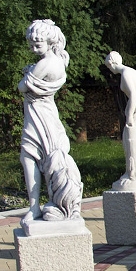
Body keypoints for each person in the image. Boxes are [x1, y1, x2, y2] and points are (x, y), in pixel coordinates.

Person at [19, 19, 83, 224]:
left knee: (31, 156)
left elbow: (22, 87)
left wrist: (27, 74)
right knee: (36, 157)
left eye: (37, 45)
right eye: (31, 45)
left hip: (40, 116)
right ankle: (45, 204)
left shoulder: (46, 63)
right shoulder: (56, 61)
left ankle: (37, 206)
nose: (33, 49)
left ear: (50, 42)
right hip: (42, 113)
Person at [104, 51, 136, 191]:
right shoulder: (130, 71)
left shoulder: (126, 73)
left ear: (112, 63)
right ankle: (135, 173)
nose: (109, 69)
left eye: (108, 66)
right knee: (135, 142)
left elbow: (133, 95)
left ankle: (135, 175)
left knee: (134, 142)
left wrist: (129, 115)